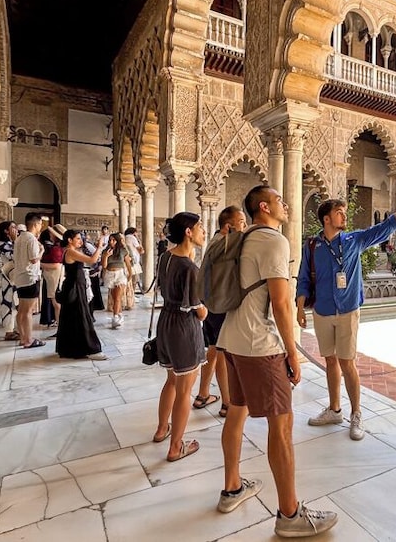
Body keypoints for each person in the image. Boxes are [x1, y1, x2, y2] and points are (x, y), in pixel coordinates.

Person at [216, 185, 337, 538]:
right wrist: (292, 352)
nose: (286, 204)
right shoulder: (273, 240)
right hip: (259, 344)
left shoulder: (243, 237)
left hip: (232, 340)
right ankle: (289, 514)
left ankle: (232, 488)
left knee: (236, 412)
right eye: (280, 200)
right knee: (282, 427)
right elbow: (282, 304)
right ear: (264, 207)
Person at [296, 181, 396, 441]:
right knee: (330, 361)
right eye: (340, 213)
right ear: (327, 219)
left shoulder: (354, 240)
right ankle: (335, 409)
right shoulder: (312, 246)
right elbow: (303, 277)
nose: (344, 216)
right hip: (323, 310)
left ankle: (356, 414)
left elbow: (387, 227)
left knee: (347, 362)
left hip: (348, 309)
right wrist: (300, 308)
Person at [151, 212, 208, 462]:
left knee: (172, 380)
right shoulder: (189, 268)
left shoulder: (165, 257)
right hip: (184, 327)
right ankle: (176, 447)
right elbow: (200, 312)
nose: (203, 232)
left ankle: (162, 428)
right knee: (185, 389)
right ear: (188, 232)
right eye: (200, 227)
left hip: (166, 321)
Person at [193, 205, 246, 417]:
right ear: (228, 226)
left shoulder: (217, 241)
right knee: (223, 354)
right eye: (241, 222)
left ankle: (203, 393)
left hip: (213, 305)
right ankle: (227, 402)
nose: (245, 226)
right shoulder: (225, 242)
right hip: (220, 307)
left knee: (214, 350)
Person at [56, 229, 107, 361]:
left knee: (74, 318)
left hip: (76, 286)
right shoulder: (71, 251)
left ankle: (74, 348)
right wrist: (100, 247)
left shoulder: (71, 251)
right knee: (81, 316)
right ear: (70, 240)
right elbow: (92, 260)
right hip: (74, 288)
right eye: (78, 239)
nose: (81, 241)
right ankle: (91, 348)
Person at [12, 213, 44, 348]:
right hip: (30, 277)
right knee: (28, 311)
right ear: (35, 224)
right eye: (41, 224)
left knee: (22, 310)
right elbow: (34, 259)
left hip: (20, 277)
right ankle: (28, 340)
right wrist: (42, 250)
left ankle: (23, 337)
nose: (41, 227)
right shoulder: (31, 239)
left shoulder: (20, 238)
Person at [102, 232, 135, 328]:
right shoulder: (106, 251)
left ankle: (115, 318)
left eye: (113, 240)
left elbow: (128, 263)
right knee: (115, 298)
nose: (111, 242)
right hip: (109, 274)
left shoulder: (123, 250)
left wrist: (130, 274)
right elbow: (104, 266)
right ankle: (119, 314)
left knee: (117, 298)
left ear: (117, 241)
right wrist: (106, 256)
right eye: (110, 240)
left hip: (120, 274)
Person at [40, 223, 67, 331]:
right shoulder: (58, 247)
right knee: (56, 302)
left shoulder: (56, 249)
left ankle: (61, 327)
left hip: (54, 275)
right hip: (54, 275)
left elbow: (56, 265)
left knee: (56, 302)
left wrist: (39, 264)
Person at [0, 221, 19, 341]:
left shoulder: (11, 242)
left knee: (16, 303)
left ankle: (14, 328)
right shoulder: (2, 243)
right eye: (13, 227)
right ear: (6, 230)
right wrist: (16, 241)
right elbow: (14, 255)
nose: (16, 229)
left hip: (15, 276)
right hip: (8, 276)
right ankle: (8, 331)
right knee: (7, 303)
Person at [124, 226, 144, 291]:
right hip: (133, 261)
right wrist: (139, 240)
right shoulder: (132, 238)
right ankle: (132, 294)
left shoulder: (125, 237)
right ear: (134, 232)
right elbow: (140, 250)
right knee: (134, 279)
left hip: (126, 260)